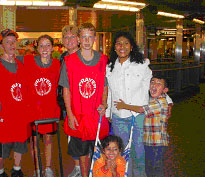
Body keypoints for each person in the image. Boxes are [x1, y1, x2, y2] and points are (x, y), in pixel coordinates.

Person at [106, 31, 173, 177]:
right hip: (119, 117)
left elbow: (154, 86)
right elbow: (110, 92)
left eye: (126, 43)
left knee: (139, 155)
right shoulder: (110, 67)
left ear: (131, 47)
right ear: (114, 47)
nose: (121, 46)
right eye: (118, 43)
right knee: (122, 155)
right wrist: (108, 113)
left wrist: (168, 102)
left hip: (139, 117)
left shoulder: (142, 65)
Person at [59, 23, 109, 177]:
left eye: (90, 37)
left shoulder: (102, 60)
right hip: (78, 114)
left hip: (95, 115)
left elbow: (105, 85)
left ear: (94, 38)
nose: (87, 40)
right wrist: (70, 114)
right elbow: (66, 90)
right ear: (79, 39)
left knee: (98, 151)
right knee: (81, 151)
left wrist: (104, 103)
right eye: (84, 37)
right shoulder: (69, 61)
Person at [0, 29, 31, 177]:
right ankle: (0, 172)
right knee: (2, 152)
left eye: (13, 41)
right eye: (7, 42)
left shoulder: (21, 65)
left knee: (19, 146)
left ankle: (17, 169)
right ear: (1, 45)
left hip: (21, 117)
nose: (11, 44)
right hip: (3, 118)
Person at [114, 76, 170, 177]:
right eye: (152, 82)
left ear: (165, 90)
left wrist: (124, 105)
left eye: (159, 84)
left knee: (155, 169)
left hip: (157, 144)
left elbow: (141, 109)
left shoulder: (160, 102)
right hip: (150, 143)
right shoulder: (152, 100)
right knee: (149, 169)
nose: (154, 85)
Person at [23, 35, 61, 177]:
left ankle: (48, 167)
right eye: (41, 46)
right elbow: (9, 59)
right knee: (34, 141)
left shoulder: (57, 64)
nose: (44, 48)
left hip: (50, 109)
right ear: (37, 48)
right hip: (33, 110)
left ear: (52, 48)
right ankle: (37, 168)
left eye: (47, 45)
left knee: (48, 139)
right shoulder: (28, 60)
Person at [58, 25, 81, 177]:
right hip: (68, 104)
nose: (69, 40)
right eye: (66, 37)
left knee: (85, 136)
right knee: (72, 135)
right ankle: (78, 167)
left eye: (72, 36)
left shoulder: (86, 56)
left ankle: (89, 166)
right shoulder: (63, 58)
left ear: (78, 39)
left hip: (84, 104)